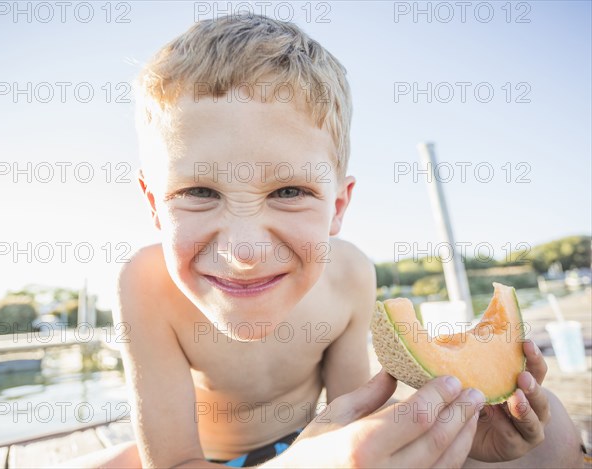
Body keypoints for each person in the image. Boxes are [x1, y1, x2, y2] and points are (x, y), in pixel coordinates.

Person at [66, 14, 583, 468]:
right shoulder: (143, 285)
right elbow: (173, 461)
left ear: (338, 206)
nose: (244, 252)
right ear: (154, 204)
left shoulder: (352, 274)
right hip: (203, 459)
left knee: (554, 436)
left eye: (289, 191)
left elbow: (353, 411)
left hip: (314, 441)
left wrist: (463, 426)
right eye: (198, 191)